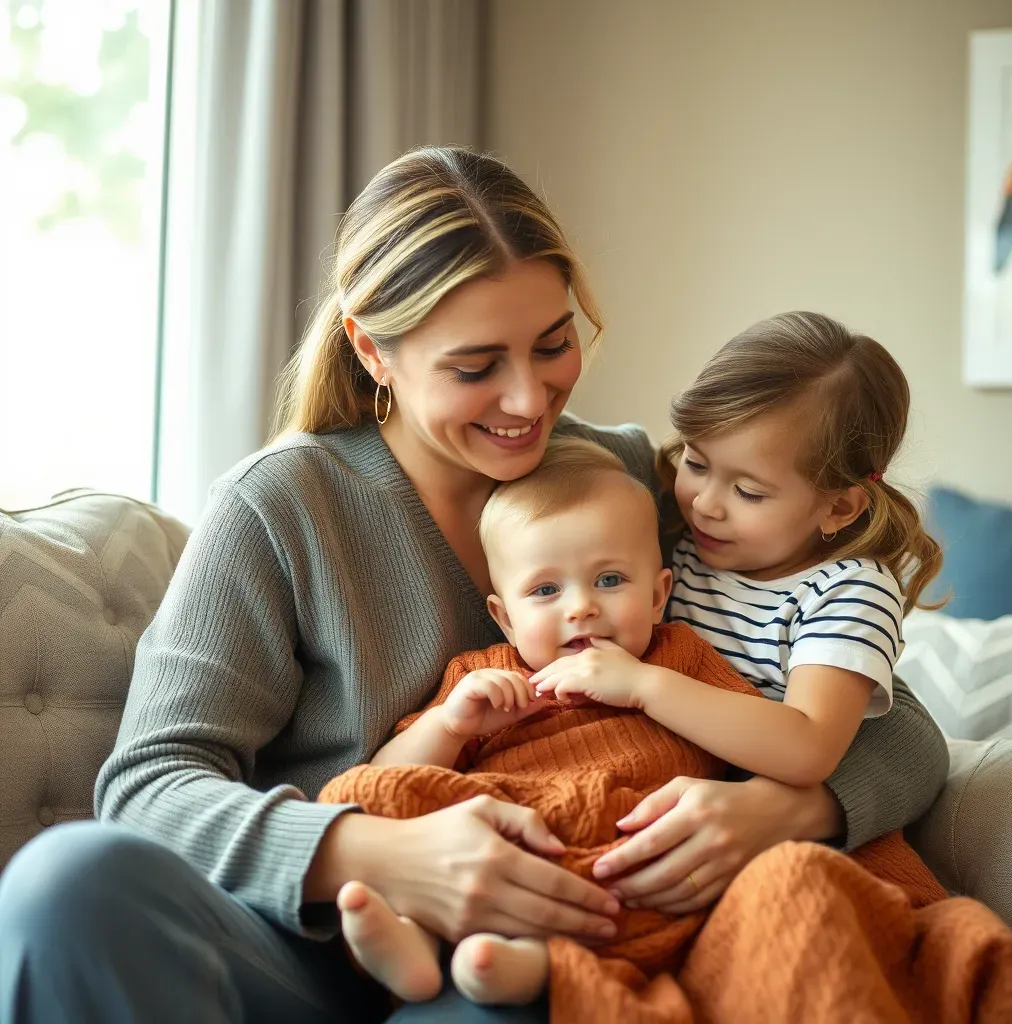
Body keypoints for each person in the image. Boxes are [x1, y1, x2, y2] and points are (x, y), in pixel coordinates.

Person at [0, 148, 950, 1024]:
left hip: (540, 948)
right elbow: (147, 787)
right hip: (319, 943)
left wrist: (785, 810)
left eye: (551, 344)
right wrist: (380, 856)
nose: (529, 399)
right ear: (374, 352)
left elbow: (895, 726)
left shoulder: (624, 480)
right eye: (475, 366)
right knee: (64, 883)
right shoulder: (282, 507)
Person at [323, 438, 760, 1005]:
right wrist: (452, 726)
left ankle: (532, 967)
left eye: (609, 580)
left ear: (658, 597)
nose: (579, 607)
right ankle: (415, 940)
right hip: (506, 845)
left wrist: (652, 690)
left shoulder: (679, 658)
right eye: (545, 590)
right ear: (504, 618)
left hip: (629, 846)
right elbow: (393, 782)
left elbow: (765, 737)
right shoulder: (483, 675)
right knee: (356, 789)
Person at [533, 312, 942, 791]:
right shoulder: (675, 543)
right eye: (696, 462)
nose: (705, 505)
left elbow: (808, 747)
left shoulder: (849, 591)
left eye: (748, 492)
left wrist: (645, 686)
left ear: (838, 506)